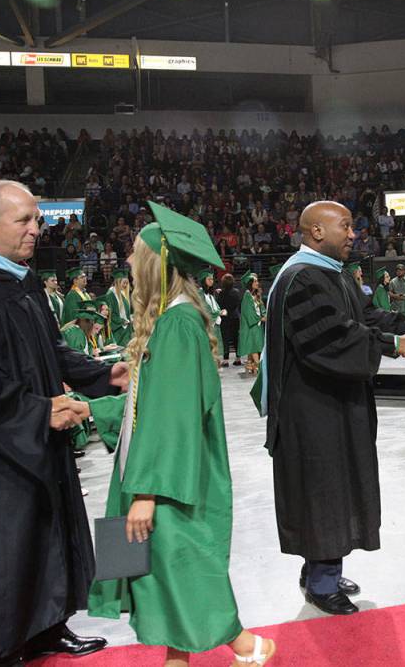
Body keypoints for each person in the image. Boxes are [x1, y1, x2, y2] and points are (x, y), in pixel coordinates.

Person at [0, 180, 127, 667]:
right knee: (2, 548)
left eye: (37, 219)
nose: (36, 229)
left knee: (44, 532)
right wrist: (36, 410)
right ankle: (2, 648)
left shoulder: (22, 279)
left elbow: (51, 350)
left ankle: (48, 627)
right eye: (25, 221)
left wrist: (102, 375)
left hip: (37, 437)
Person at [87, 202, 276, 667]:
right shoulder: (174, 320)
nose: (127, 261)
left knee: (177, 570)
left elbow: (172, 418)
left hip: (167, 479)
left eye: (134, 254)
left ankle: (247, 645)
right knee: (168, 576)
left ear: (155, 264)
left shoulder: (176, 325)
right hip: (163, 469)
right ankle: (204, 654)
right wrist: (90, 409)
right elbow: (151, 405)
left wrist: (145, 493)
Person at [257, 201, 405, 616]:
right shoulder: (302, 278)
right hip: (312, 410)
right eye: (346, 226)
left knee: (331, 487)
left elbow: (365, 317)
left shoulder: (331, 274)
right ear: (317, 231)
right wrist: (395, 346)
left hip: (330, 404)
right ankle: (322, 581)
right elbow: (332, 338)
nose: (354, 234)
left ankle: (319, 569)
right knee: (324, 490)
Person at [198, 269, 228, 367]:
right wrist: (219, 313)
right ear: (203, 280)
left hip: (215, 325)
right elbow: (204, 309)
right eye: (209, 279)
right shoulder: (200, 293)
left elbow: (215, 307)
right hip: (208, 326)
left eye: (212, 279)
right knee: (209, 348)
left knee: (215, 349)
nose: (212, 281)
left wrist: (220, 311)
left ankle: (214, 367)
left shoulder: (210, 294)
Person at [238, 272, 265, 376]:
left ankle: (250, 365)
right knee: (254, 346)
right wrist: (260, 318)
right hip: (251, 325)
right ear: (250, 284)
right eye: (255, 281)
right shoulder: (247, 296)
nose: (257, 283)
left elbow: (261, 307)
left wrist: (264, 314)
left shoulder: (255, 294)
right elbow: (248, 313)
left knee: (254, 346)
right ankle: (258, 366)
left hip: (256, 324)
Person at [102, 268, 133, 346]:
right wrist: (121, 321)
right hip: (117, 331)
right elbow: (110, 314)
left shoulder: (123, 294)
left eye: (127, 283)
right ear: (117, 282)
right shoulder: (110, 295)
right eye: (124, 283)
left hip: (125, 330)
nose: (125, 285)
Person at [218, 273, 244, 367]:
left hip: (225, 318)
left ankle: (225, 360)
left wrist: (220, 293)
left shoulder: (221, 293)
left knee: (225, 338)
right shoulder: (237, 292)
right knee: (236, 338)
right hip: (235, 317)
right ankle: (238, 358)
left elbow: (219, 305)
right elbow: (238, 304)